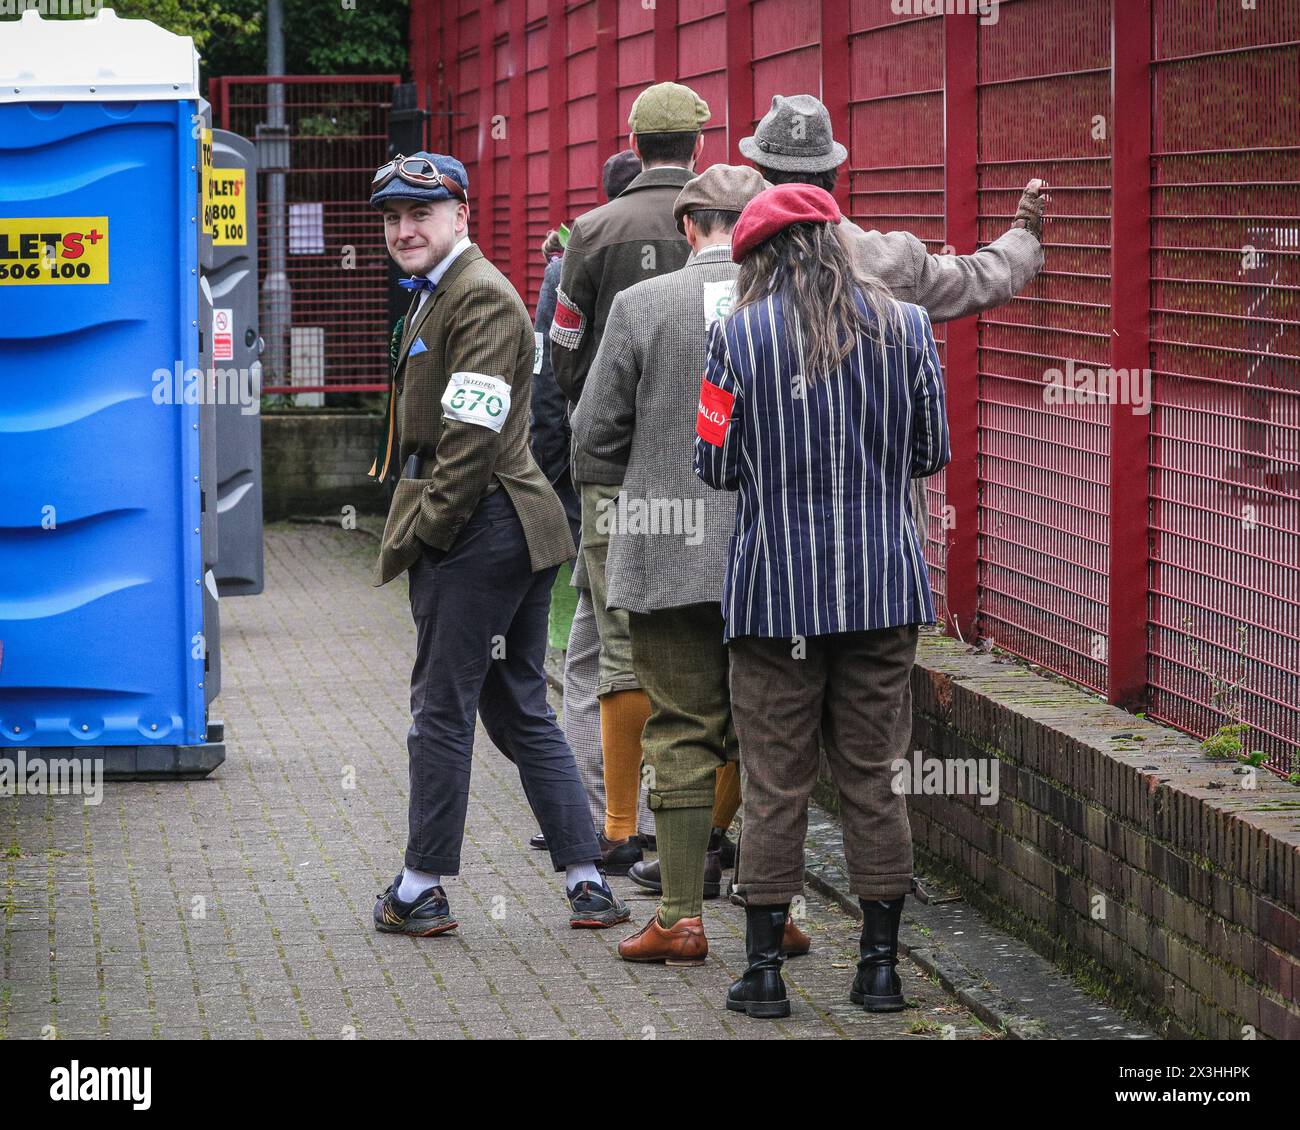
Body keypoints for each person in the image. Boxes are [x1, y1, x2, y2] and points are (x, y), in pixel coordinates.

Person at [695, 183, 950, 1018]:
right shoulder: (910, 327)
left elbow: (713, 464)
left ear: (759, 258)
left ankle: (764, 976)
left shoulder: (735, 335)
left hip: (775, 598)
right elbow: (929, 451)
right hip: (884, 589)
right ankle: (880, 972)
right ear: (837, 244)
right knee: (874, 779)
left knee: (776, 785)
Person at [367, 150, 630, 935]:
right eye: (392, 217)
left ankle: (420, 888)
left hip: (481, 525)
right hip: (510, 527)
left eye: (421, 214)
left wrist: (433, 536)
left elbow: (471, 437)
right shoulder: (443, 289)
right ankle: (588, 880)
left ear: (460, 217)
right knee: (518, 708)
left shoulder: (477, 296)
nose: (405, 229)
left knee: (439, 708)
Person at [573, 164, 802, 965]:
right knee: (771, 730)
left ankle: (678, 917)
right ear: (754, 229)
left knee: (680, 727)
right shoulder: (787, 311)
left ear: (686, 226)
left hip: (665, 555)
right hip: (772, 556)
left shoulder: (640, 307)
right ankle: (777, 913)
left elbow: (592, 438)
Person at [738, 93, 1046, 547]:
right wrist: (1022, 239)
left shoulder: (738, 265)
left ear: (761, 179)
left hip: (775, 534)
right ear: (833, 179)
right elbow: (976, 278)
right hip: (882, 535)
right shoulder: (891, 260)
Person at [550, 81, 711, 875]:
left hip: (613, 466)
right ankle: (690, 829)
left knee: (612, 639)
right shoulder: (720, 225)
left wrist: (588, 405)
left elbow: (564, 345)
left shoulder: (591, 229)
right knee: (699, 641)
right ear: (701, 146)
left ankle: (620, 827)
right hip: (710, 467)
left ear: (634, 141)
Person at [527, 148, 654, 853]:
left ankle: (602, 815)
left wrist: (559, 484)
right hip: (687, 484)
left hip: (603, 481)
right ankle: (640, 815)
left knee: (596, 648)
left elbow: (552, 380)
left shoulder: (575, 257)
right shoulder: (711, 251)